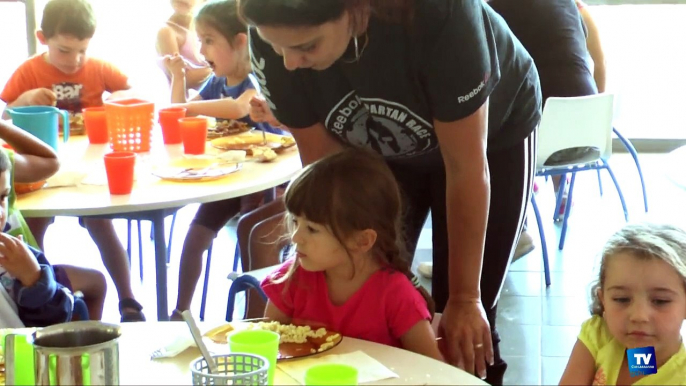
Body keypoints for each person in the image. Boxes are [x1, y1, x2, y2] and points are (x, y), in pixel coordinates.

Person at [240, 0, 542, 383]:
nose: (289, 63)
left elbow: (466, 167)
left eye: (306, 47)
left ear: (356, 9)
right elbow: (329, 174)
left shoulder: (442, 14)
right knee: (365, 279)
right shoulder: (271, 26)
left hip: (489, 140)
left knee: (465, 321)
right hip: (372, 147)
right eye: (276, 46)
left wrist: (465, 298)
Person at [0, 0, 144, 322]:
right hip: (44, 163)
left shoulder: (99, 67)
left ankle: (129, 300)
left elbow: (132, 93)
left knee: (101, 223)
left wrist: (113, 100)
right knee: (33, 224)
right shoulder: (29, 70)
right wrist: (23, 100)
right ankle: (36, 292)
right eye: (64, 51)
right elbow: (7, 116)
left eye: (82, 50)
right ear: (43, 38)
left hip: (89, 159)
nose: (75, 60)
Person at [165, 0, 285, 320]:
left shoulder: (253, 79)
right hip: (229, 176)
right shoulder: (216, 81)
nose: (201, 49)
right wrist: (177, 77)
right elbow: (179, 111)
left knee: (252, 230)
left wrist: (190, 108)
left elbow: (238, 108)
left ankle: (256, 311)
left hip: (264, 177)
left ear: (240, 42)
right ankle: (181, 310)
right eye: (200, 40)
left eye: (209, 40)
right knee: (195, 236)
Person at [262, 149, 443, 360]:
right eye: (295, 222)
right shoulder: (291, 278)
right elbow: (266, 353)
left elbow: (434, 371)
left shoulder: (396, 295)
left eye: (312, 229)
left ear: (362, 240)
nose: (295, 237)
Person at [486, 0, 600, 260]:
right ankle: (551, 190)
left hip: (547, 132)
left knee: (486, 142)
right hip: (590, 127)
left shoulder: (499, 7)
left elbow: (494, 66)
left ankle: (517, 232)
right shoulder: (567, 4)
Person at [0, 120, 106, 326]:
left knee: (94, 285)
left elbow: (52, 324)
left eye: (3, 197)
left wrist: (34, 280)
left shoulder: (20, 257)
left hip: (22, 356)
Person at [560, 223, 686, 385]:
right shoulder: (599, 335)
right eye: (622, 299)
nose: (639, 316)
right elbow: (642, 363)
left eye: (660, 301)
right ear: (603, 299)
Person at [156, 0, 212, 92]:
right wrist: (218, 68)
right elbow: (183, 77)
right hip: (183, 102)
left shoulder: (203, 28)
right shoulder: (166, 32)